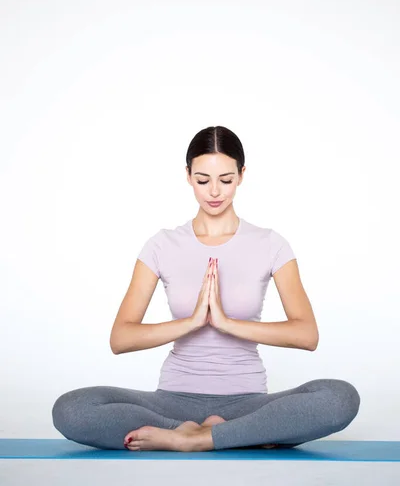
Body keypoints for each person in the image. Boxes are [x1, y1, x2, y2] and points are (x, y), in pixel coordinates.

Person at [52, 125, 360, 452]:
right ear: (187, 175)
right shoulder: (162, 245)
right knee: (71, 408)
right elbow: (120, 338)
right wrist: (192, 322)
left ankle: (198, 438)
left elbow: (306, 335)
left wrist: (227, 323)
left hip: (247, 404)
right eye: (202, 180)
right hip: (171, 403)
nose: (214, 191)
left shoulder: (271, 244)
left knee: (340, 397)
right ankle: (209, 433)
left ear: (241, 175)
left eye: (226, 180)